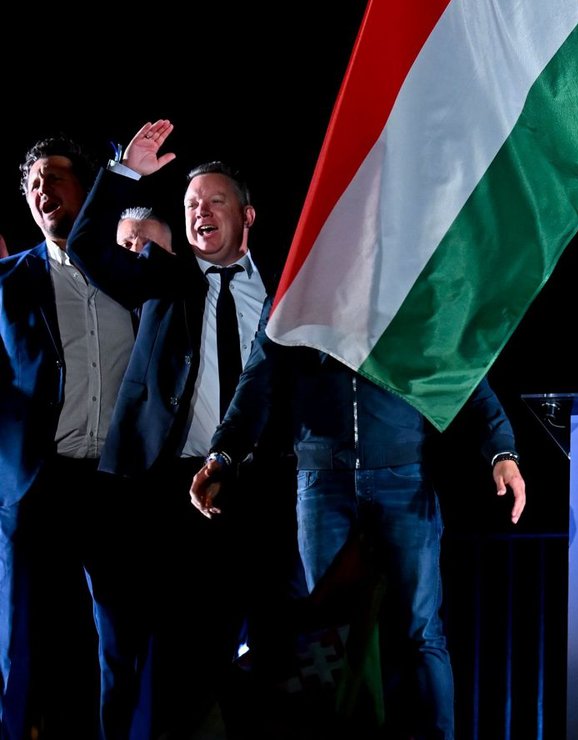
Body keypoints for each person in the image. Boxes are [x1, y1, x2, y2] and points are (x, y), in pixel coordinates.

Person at [188, 298, 525, 739]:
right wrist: (222, 456)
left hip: (403, 475)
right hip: (322, 482)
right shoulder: (300, 283)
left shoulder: (408, 282)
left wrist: (501, 449)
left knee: (419, 632)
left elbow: (464, 367)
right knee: (328, 639)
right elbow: (258, 380)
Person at [65, 120, 279, 737]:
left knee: (254, 655)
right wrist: (125, 173)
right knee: (171, 661)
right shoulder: (166, 276)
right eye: (189, 205)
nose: (199, 213)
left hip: (256, 491)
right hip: (166, 492)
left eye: (214, 202)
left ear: (248, 216)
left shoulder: (283, 292)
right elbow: (92, 252)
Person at [1, 137, 143, 738]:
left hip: (116, 482)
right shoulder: (6, 283)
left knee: (122, 640)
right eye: (33, 183)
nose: (42, 189)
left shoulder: (134, 277)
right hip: (38, 485)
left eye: (56, 177)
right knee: (23, 643)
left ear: (87, 192)